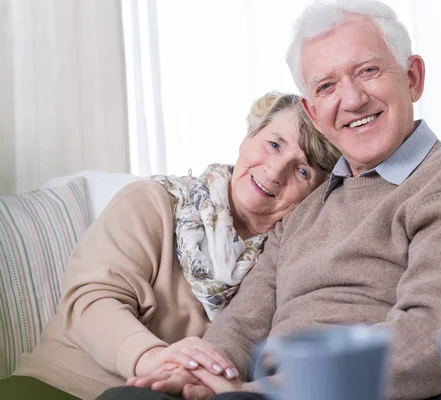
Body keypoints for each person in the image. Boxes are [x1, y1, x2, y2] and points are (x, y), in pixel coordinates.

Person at [101, 0, 441, 399]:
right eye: (326, 86)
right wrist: (195, 375)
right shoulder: (305, 210)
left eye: (367, 70)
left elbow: (435, 336)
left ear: (413, 76)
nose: (351, 100)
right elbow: (241, 328)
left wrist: (263, 391)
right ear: (314, 114)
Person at [0, 92, 340, 400]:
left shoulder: (286, 261)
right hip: (57, 386)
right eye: (274, 144)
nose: (275, 171)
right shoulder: (154, 203)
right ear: (248, 138)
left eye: (302, 171)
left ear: (314, 196)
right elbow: (91, 301)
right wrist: (153, 358)